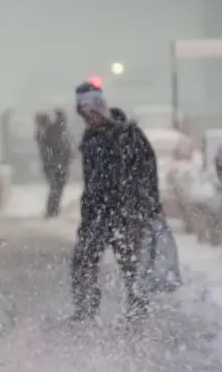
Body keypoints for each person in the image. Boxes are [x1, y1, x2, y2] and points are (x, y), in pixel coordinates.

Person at [71, 82, 161, 322]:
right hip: (97, 213)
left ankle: (137, 312)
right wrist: (87, 215)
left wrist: (145, 209)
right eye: (82, 115)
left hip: (126, 213)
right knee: (83, 260)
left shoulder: (128, 135)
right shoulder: (90, 139)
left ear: (99, 108)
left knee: (131, 267)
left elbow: (148, 173)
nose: (86, 120)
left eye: (88, 113)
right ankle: (85, 310)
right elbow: (92, 183)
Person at [38, 109, 73, 218]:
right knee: (55, 188)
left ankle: (53, 210)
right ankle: (52, 210)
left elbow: (67, 150)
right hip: (55, 165)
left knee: (57, 188)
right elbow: (46, 151)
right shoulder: (51, 133)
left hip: (60, 165)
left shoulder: (59, 133)